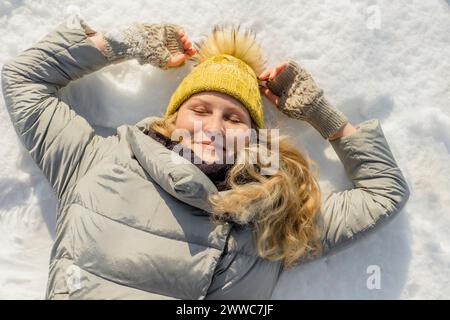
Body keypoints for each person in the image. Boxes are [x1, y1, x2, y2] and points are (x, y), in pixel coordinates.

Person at [1, 16, 410, 300]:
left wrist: (323, 116)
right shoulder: (99, 161)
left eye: (234, 118)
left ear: (252, 137)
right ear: (172, 118)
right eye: (199, 110)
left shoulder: (275, 217)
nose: (213, 126)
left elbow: (384, 194)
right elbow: (22, 78)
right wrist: (122, 45)